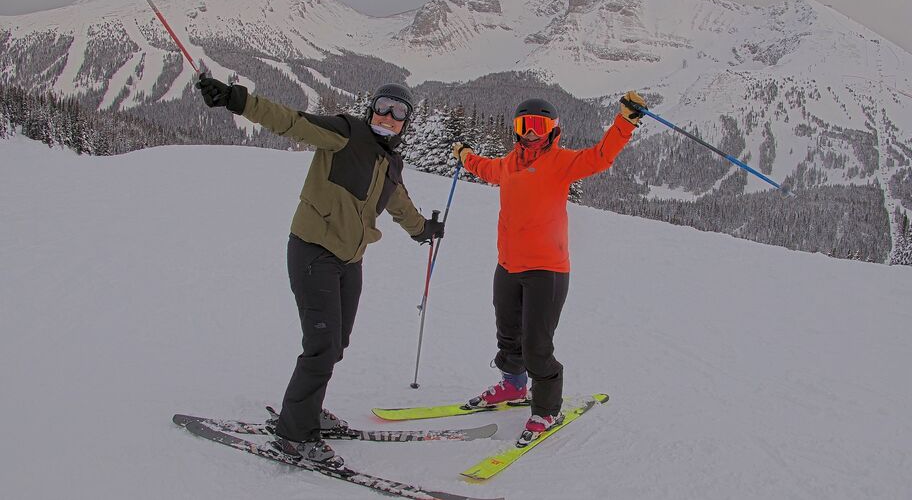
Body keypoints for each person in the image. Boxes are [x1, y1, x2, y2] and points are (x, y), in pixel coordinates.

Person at [195, 77, 445, 465]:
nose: (388, 116)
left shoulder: (390, 163)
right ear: (371, 109)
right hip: (314, 252)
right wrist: (236, 100)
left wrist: (424, 230)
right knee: (321, 346)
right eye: (382, 106)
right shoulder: (346, 134)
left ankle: (307, 409)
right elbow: (292, 121)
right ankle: (295, 435)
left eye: (399, 112)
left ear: (405, 122)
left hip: (350, 261)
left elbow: (400, 204)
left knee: (336, 343)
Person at [451, 92, 646, 447]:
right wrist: (464, 155)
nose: (531, 133)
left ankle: (546, 409)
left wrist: (625, 122)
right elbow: (483, 167)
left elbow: (600, 156)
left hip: (547, 270)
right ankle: (513, 385)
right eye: (524, 125)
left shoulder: (561, 162)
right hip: (508, 265)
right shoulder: (508, 164)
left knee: (537, 345)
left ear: (552, 130)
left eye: (539, 126)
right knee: (508, 334)